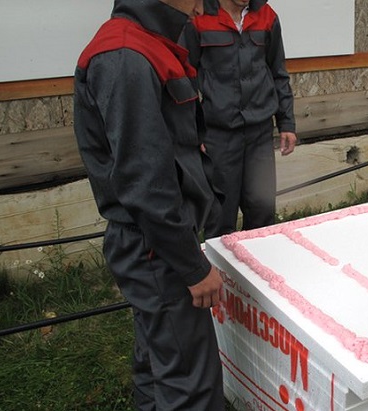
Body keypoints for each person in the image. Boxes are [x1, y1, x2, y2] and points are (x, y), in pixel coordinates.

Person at [73, 1, 225, 409]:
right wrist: (193, 268)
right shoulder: (126, 56)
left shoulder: (150, 44)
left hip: (156, 240)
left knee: (159, 359)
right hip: (156, 246)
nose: (202, 6)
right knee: (191, 383)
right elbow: (146, 184)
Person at [187, 0, 297, 237]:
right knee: (220, 214)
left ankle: (259, 259)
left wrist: (286, 122)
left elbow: (278, 72)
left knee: (262, 211)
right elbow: (186, 79)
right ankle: (220, 261)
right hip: (219, 135)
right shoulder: (200, 18)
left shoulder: (267, 16)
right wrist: (194, 131)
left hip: (260, 134)